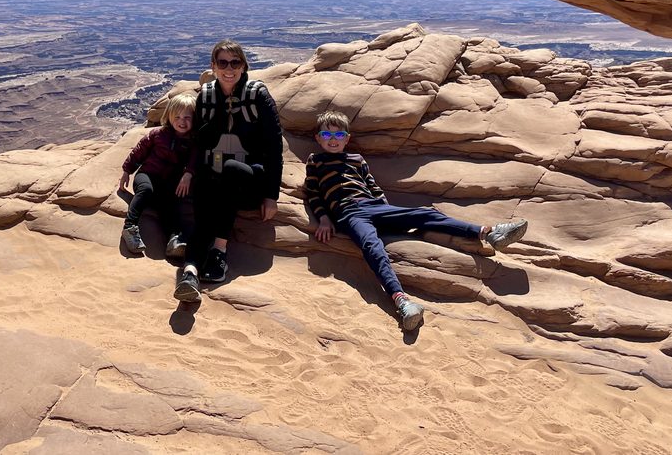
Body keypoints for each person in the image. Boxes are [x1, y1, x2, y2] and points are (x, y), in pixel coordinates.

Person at [305, 110, 528, 331]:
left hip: (376, 208)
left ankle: (488, 233)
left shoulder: (357, 159)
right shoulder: (316, 161)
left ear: (347, 138)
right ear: (318, 138)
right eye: (326, 135)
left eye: (338, 135)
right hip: (349, 213)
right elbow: (313, 192)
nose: (332, 140)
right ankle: (402, 301)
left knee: (426, 214)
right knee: (372, 247)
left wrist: (387, 208)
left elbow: (373, 186)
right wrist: (324, 219)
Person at [174, 40, 283, 303]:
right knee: (205, 196)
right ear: (213, 66)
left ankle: (219, 251)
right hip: (217, 178)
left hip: (249, 180)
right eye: (222, 63)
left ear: (244, 66)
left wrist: (271, 196)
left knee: (231, 170)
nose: (229, 68)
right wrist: (190, 172)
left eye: (235, 63)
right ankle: (189, 272)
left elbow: (274, 145)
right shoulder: (207, 97)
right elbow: (200, 142)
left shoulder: (257, 95)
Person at [119, 92, 197, 259]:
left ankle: (174, 239)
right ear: (168, 115)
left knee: (170, 204)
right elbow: (138, 152)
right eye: (177, 116)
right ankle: (130, 227)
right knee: (146, 190)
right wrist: (127, 171)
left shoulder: (193, 142)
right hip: (146, 175)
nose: (182, 121)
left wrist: (188, 174)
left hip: (167, 183)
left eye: (187, 117)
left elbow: (195, 160)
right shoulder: (158, 134)